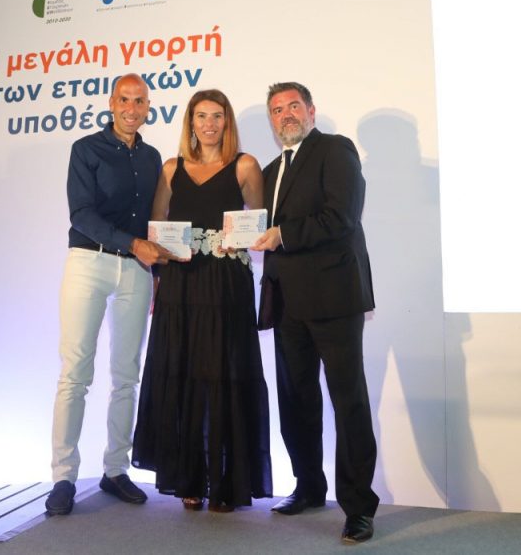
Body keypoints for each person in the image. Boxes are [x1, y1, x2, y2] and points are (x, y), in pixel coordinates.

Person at [132, 89, 273, 511]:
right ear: (190, 123)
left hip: (225, 283)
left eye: (217, 116)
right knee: (183, 374)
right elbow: (157, 224)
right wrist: (159, 275)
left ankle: (226, 482)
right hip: (180, 282)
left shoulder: (245, 165)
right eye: (201, 116)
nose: (209, 124)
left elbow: (257, 224)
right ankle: (189, 478)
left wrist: (241, 240)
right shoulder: (170, 168)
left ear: (227, 122)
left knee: (223, 375)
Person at [251, 82, 378, 544]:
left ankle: (359, 508)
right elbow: (259, 229)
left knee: (348, 402)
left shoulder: (335, 150)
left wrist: (282, 234)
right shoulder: (269, 171)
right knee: (296, 400)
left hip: (334, 298)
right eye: (276, 109)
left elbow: (341, 216)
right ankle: (308, 486)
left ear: (311, 111)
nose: (285, 114)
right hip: (287, 302)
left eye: (293, 106)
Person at [46, 74, 176, 516]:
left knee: (126, 375)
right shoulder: (86, 149)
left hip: (136, 271)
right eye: (124, 99)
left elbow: (155, 221)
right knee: (75, 373)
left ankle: (116, 469)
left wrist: (157, 265)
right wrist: (133, 244)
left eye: (139, 101)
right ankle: (63, 477)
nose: (131, 109)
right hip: (89, 262)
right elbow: (81, 214)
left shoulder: (153, 157)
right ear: (111, 103)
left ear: (148, 107)